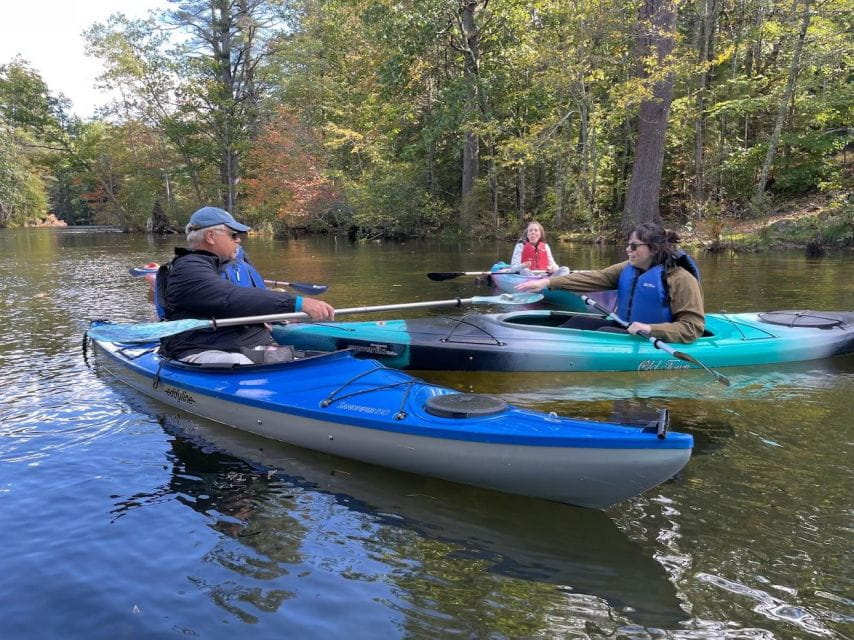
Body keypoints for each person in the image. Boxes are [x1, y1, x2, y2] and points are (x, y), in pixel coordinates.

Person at [156, 206, 335, 365]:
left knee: (306, 359)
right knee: (241, 363)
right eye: (233, 235)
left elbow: (246, 300)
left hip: (248, 344)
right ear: (210, 237)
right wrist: (296, 303)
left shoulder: (222, 263)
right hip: (204, 349)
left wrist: (274, 316)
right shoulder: (188, 269)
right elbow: (229, 298)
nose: (239, 240)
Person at [515, 222, 704, 343]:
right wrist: (548, 282)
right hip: (628, 329)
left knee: (605, 329)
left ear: (653, 249)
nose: (628, 250)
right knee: (577, 321)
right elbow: (595, 278)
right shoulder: (628, 268)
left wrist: (650, 328)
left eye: (634, 246)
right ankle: (546, 344)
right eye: (628, 244)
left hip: (651, 337)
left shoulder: (680, 279)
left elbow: (692, 327)